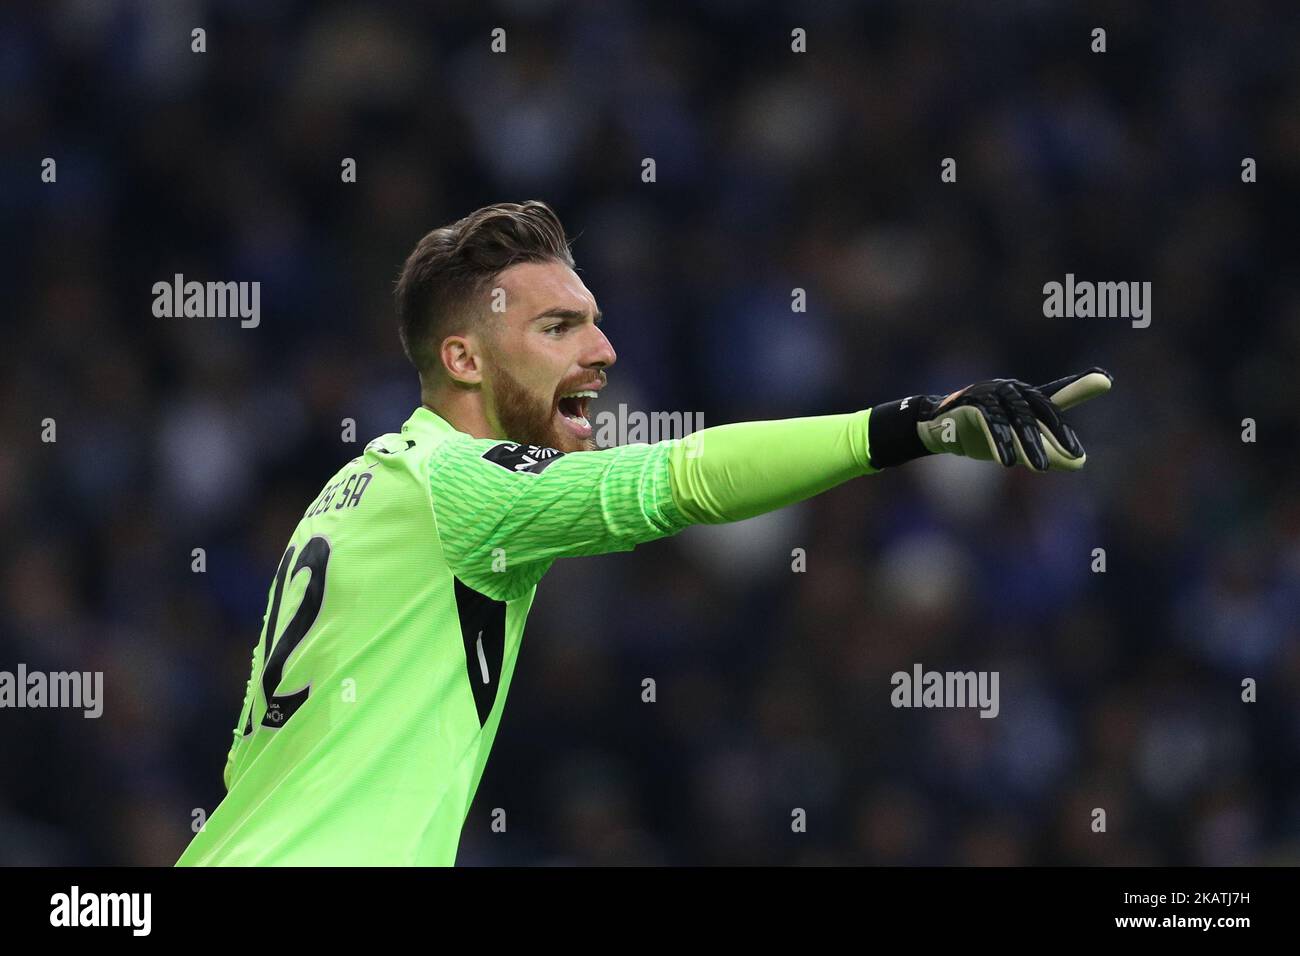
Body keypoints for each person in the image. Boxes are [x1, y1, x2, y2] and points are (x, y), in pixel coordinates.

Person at [176, 200, 1110, 865]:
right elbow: (683, 478)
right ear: (462, 357)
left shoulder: (358, 488)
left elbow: (248, 759)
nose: (603, 350)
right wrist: (912, 426)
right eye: (558, 326)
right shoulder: (463, 487)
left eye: (596, 323)